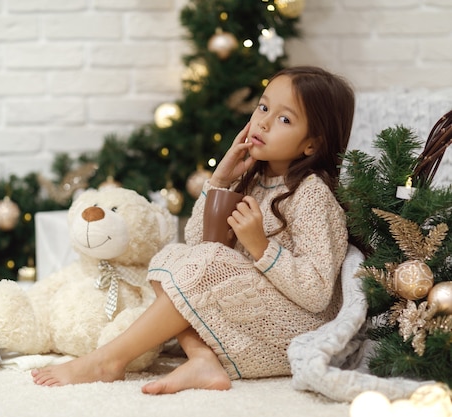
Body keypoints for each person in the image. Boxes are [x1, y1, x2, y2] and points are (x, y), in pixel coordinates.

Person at [32, 65, 355, 394]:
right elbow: (200, 245)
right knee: (170, 257)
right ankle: (202, 359)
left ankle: (108, 360)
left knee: (201, 263)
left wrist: (262, 248)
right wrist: (220, 182)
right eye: (263, 107)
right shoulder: (254, 180)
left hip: (292, 327)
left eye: (284, 119)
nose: (264, 122)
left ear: (312, 145)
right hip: (248, 308)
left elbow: (317, 294)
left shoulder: (313, 195)